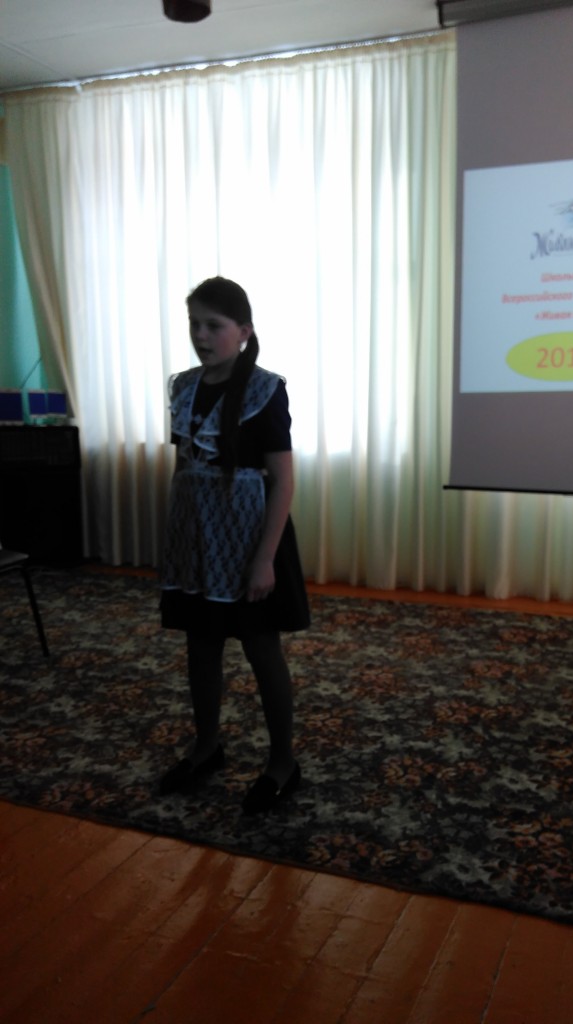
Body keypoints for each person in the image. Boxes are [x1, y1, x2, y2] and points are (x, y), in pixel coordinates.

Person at [158, 276, 310, 814]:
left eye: (214, 325)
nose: (200, 335)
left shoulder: (265, 390)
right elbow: (184, 466)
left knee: (261, 648)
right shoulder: (183, 388)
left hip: (249, 540)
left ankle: (283, 763)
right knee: (200, 645)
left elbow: (282, 480)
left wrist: (265, 558)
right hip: (197, 538)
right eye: (194, 324)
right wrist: (178, 542)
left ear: (243, 331)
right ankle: (207, 747)